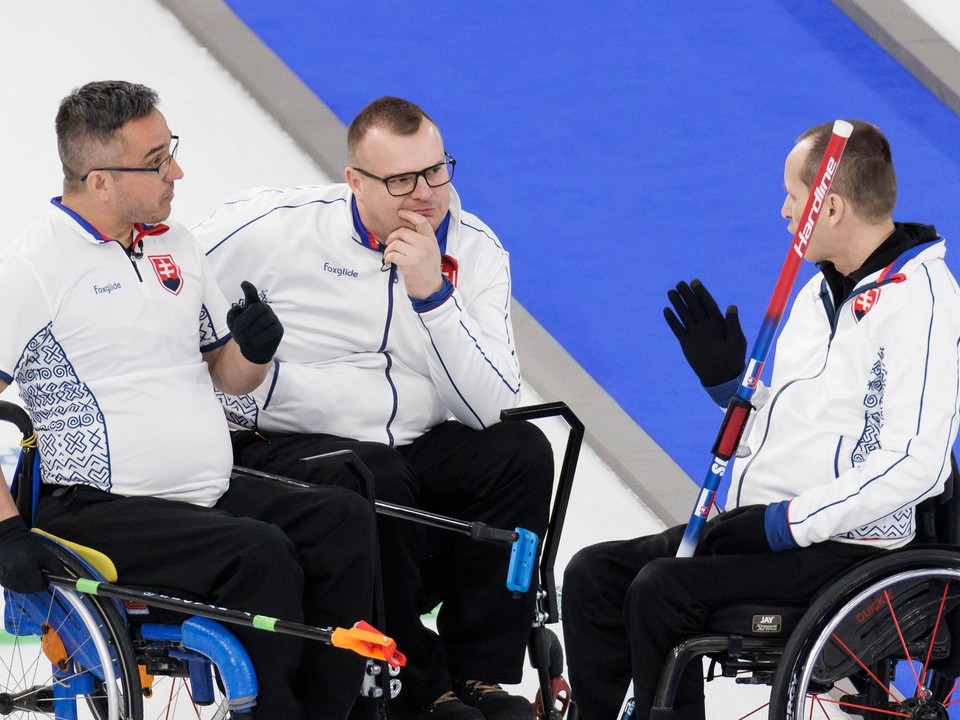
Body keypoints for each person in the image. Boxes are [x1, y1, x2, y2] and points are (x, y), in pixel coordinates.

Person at [0, 80, 378, 720]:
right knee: (259, 554)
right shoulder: (33, 268)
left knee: (341, 518)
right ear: (99, 181)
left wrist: (254, 350)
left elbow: (227, 377)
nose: (178, 171)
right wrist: (6, 530)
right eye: (155, 162)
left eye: (170, 149)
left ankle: (340, 710)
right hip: (99, 508)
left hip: (203, 493)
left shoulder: (175, 245)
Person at [561, 119, 960, 720]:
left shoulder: (921, 305)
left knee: (661, 592)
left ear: (829, 208)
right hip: (773, 523)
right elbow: (797, 430)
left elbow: (915, 465)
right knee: (593, 575)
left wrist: (786, 524)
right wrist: (731, 392)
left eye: (792, 199)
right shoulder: (818, 294)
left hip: (847, 544)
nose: (782, 212)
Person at [191, 96, 554, 720]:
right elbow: (175, 284)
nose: (426, 194)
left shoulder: (479, 250)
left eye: (437, 171)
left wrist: (433, 296)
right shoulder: (273, 225)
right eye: (401, 180)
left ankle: (479, 675)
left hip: (416, 442)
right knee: (371, 476)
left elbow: (492, 407)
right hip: (292, 441)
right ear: (354, 181)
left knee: (520, 452)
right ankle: (420, 686)